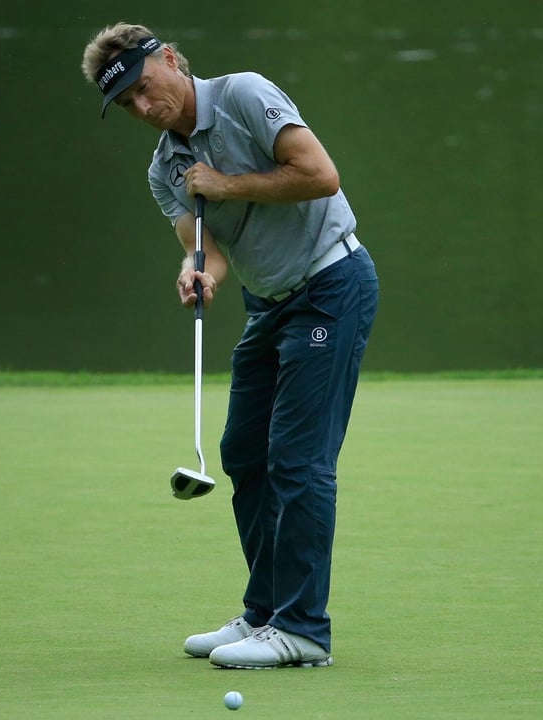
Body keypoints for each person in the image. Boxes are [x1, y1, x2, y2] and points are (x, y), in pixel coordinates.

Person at [81, 22, 379, 669]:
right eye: (126, 103)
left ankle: (303, 629)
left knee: (298, 461)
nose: (141, 106)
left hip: (331, 283)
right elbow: (208, 252)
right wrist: (199, 276)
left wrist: (228, 184)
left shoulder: (245, 94)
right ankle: (266, 612)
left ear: (167, 59)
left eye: (140, 86)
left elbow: (321, 175)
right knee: (244, 453)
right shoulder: (166, 166)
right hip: (268, 304)